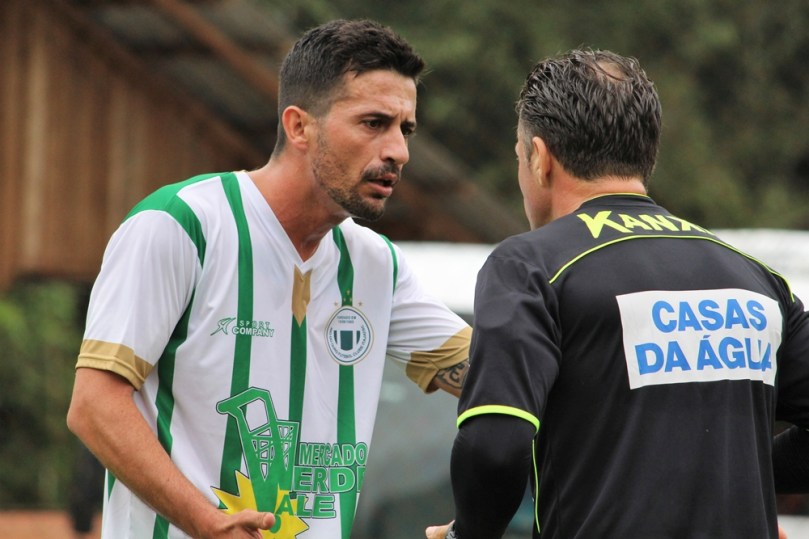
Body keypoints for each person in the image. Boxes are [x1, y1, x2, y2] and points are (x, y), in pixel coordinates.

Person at [67, 19, 471, 539]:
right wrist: (205, 521)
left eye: (405, 129)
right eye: (374, 123)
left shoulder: (376, 265)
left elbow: (496, 377)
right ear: (299, 126)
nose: (399, 151)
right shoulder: (182, 224)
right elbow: (94, 406)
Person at [425, 49, 809, 539]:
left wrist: (469, 534)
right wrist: (742, 474)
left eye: (519, 158)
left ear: (540, 159)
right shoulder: (753, 276)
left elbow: (497, 442)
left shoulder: (530, 266)